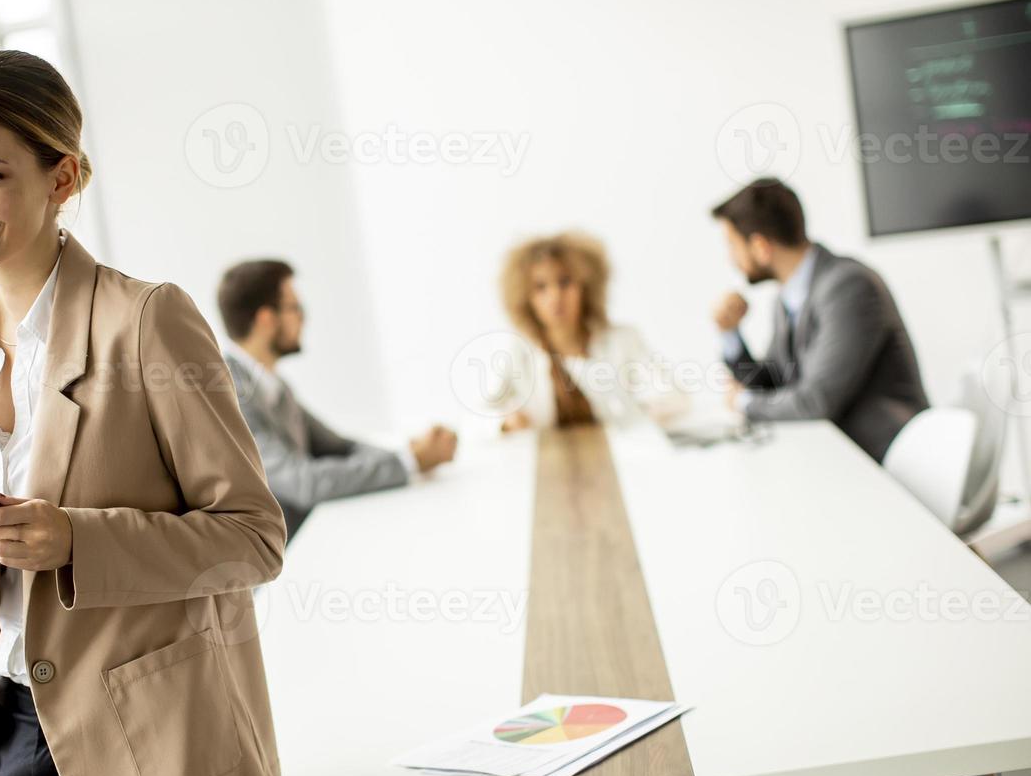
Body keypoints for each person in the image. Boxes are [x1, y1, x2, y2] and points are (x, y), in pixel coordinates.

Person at [0, 50, 285, 776]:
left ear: (62, 176)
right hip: (8, 750)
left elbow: (253, 540)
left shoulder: (146, 322)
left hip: (156, 757)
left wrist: (75, 539)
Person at [216, 260, 457, 536]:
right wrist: (409, 462)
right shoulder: (229, 396)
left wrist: (410, 453)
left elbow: (339, 446)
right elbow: (305, 483)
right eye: (295, 308)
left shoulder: (274, 385)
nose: (303, 318)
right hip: (280, 567)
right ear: (266, 319)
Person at [710, 177, 928, 462]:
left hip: (890, 463)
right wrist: (730, 334)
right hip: (834, 456)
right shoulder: (788, 297)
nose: (731, 258)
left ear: (761, 246)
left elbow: (815, 402)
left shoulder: (848, 286)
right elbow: (773, 385)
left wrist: (742, 403)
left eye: (731, 245)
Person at [495, 231, 686, 431]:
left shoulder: (623, 340)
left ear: (585, 287)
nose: (555, 297)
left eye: (565, 282)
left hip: (618, 456)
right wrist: (506, 422)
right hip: (548, 458)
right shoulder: (516, 350)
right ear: (525, 297)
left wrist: (641, 411)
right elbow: (477, 417)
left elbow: (673, 394)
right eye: (541, 287)